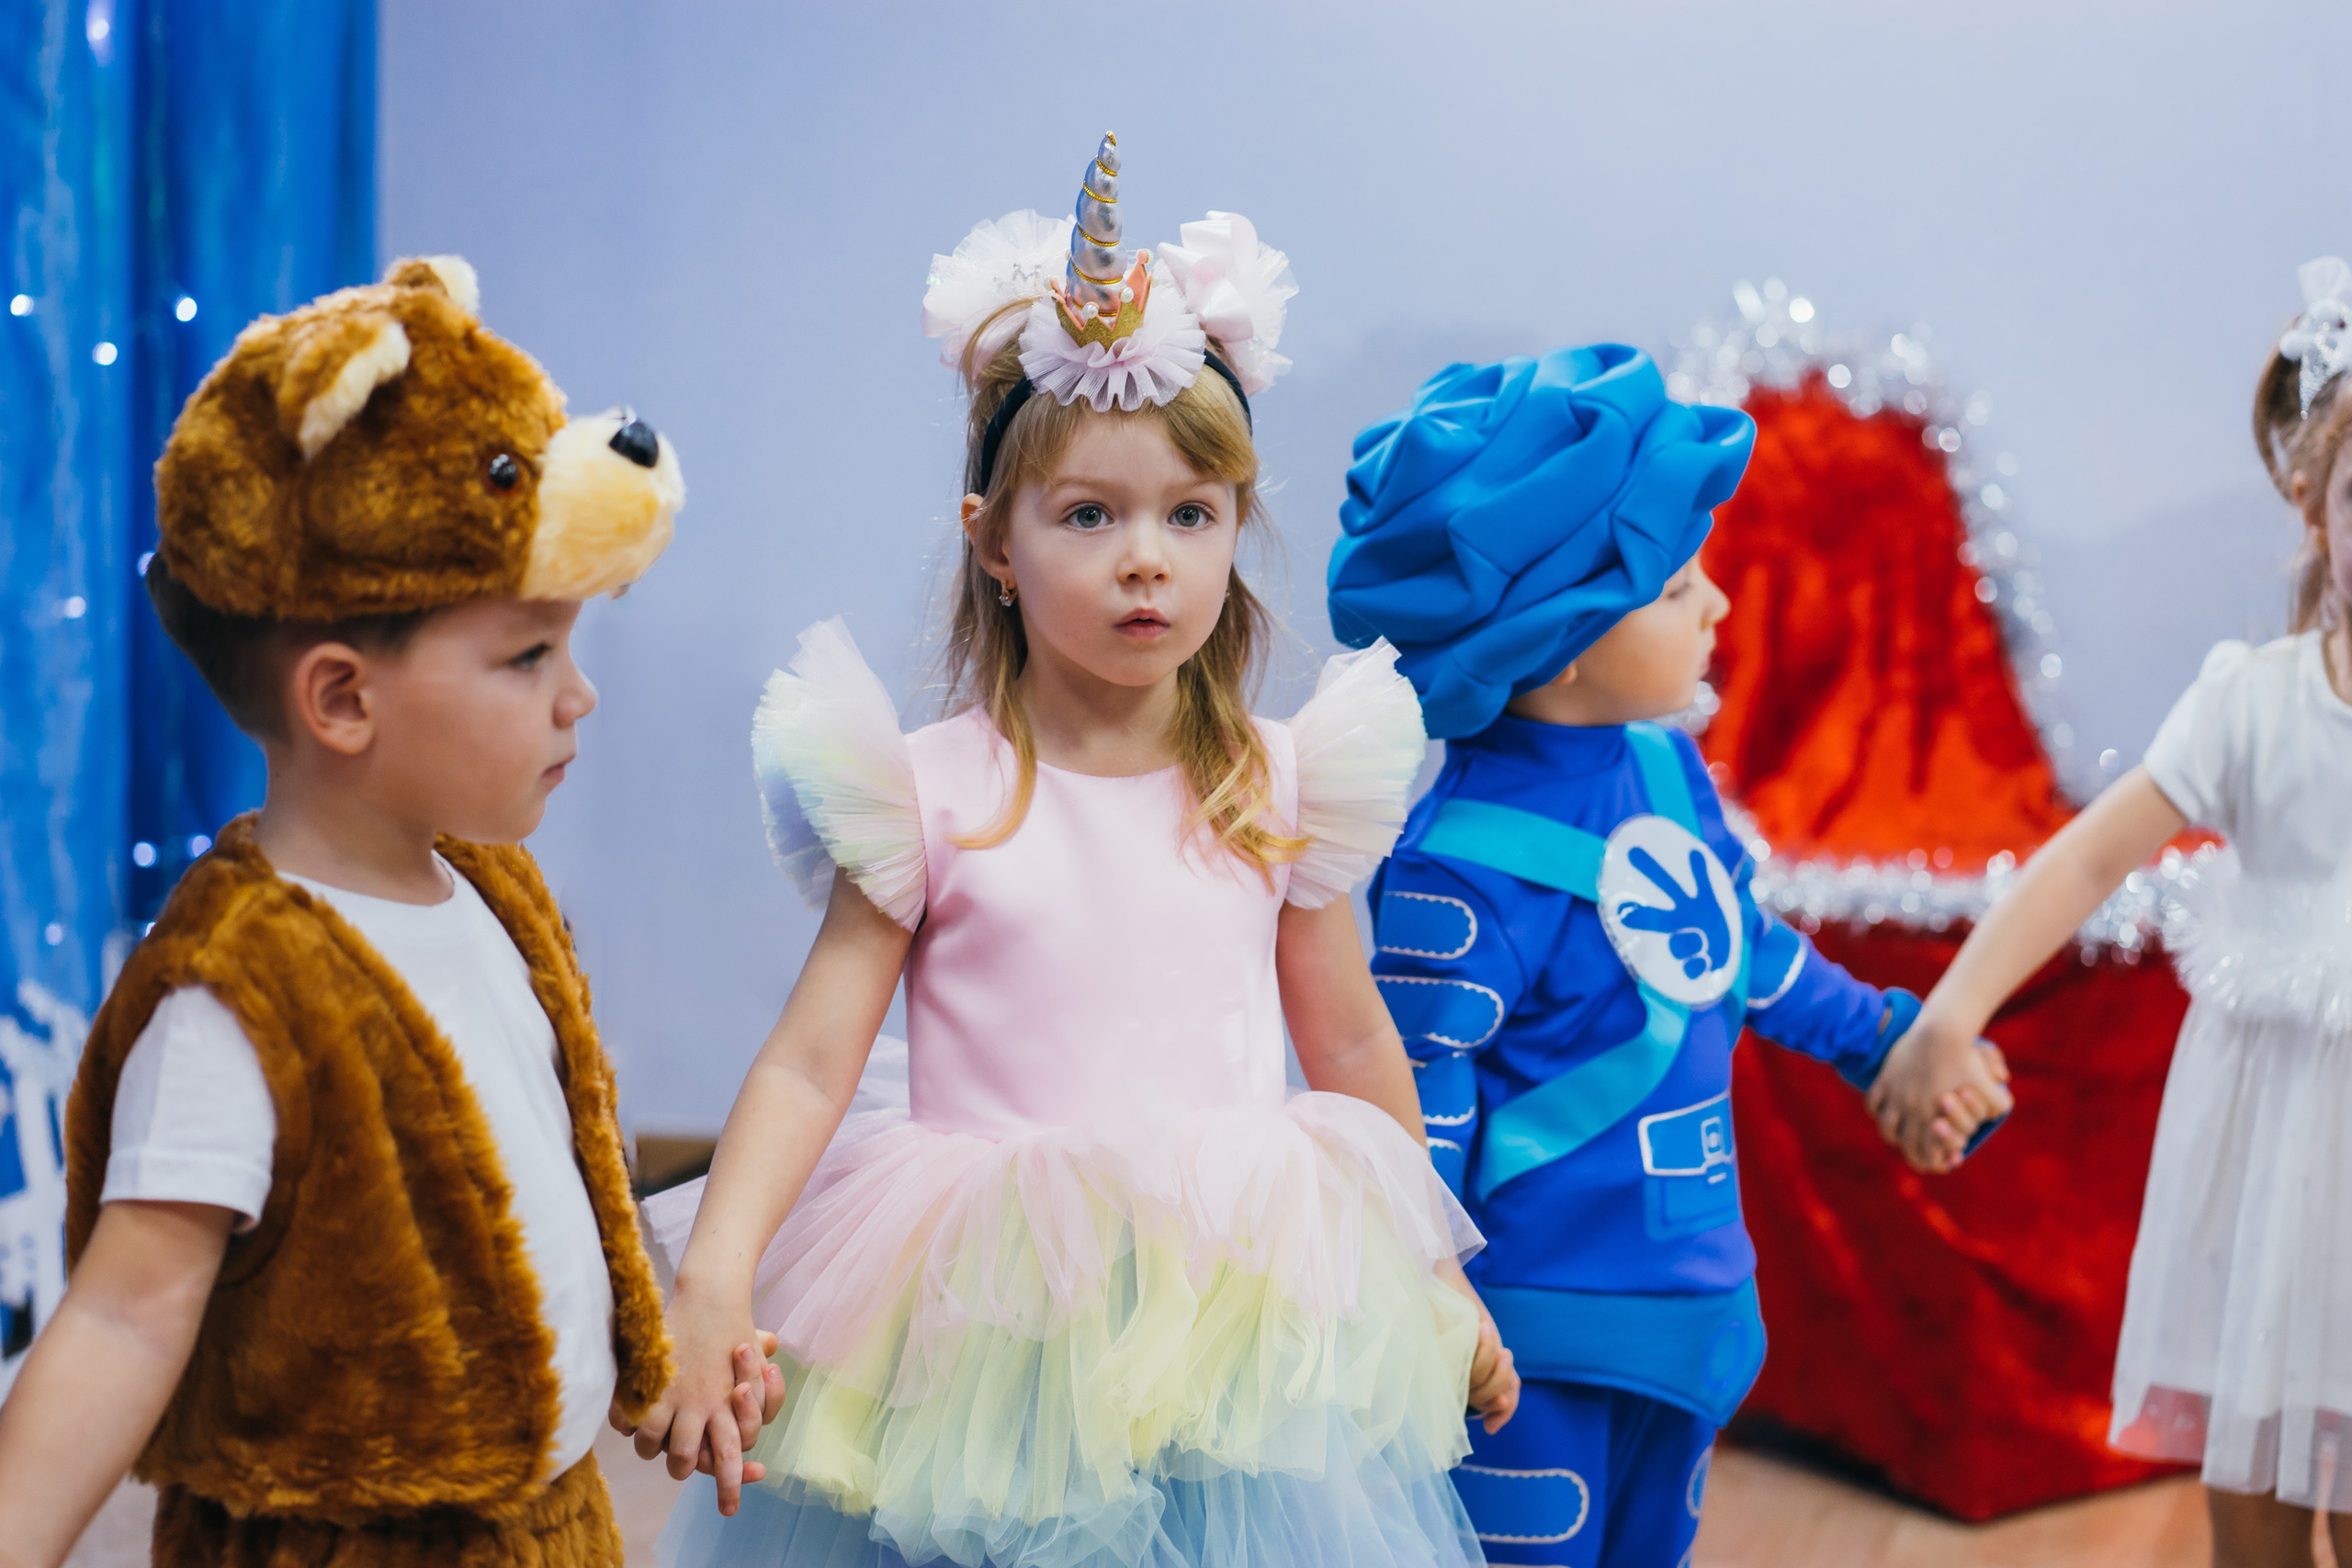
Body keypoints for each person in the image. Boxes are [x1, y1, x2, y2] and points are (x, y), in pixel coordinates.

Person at [632, 135, 1518, 1568]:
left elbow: (1350, 1046)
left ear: (1238, 532)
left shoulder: (1280, 782)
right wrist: (718, 1276)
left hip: (1236, 1294)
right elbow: (810, 1061)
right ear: (994, 540)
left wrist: (1434, 1274)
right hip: (982, 1309)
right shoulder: (926, 794)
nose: (1145, 558)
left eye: (1190, 515)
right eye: (1089, 515)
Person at [0, 256, 769, 1568]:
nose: (576, 696)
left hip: (551, 1523)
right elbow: (124, 1321)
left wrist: (637, 1358)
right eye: (528, 656)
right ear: (344, 701)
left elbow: (557, 1176)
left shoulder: (493, 887)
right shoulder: (238, 998)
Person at [1327, 344, 2008, 1568]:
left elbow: (1735, 952)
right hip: (1531, 1345)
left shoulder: (1661, 767)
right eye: (1680, 580)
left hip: (1691, 1312)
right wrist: (1433, 1300)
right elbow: (1415, 1113)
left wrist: (1887, 1039)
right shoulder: (1452, 874)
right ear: (1566, 636)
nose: (1720, 604)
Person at [1872, 257, 2352, 1564]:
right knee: (2251, 1506)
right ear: (2315, 509)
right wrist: (1952, 1011)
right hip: (2275, 1163)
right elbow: (2083, 864)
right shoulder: (2254, 701)